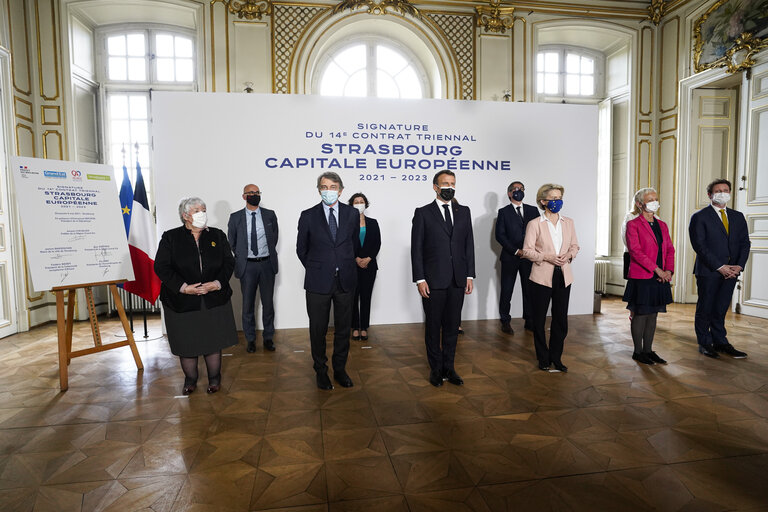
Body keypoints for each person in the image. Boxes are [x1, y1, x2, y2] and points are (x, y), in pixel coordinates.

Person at [154, 197, 238, 394]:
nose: (202, 213)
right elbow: (161, 267)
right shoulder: (170, 237)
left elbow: (229, 263)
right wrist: (183, 287)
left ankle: (214, 379)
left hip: (214, 299)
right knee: (187, 343)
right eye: (197, 210)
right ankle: (190, 380)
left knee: (213, 342)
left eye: (204, 209)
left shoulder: (217, 235)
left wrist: (216, 284)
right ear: (185, 216)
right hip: (181, 301)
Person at [411, 170, 475, 387]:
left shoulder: (464, 211)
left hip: (458, 279)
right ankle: (436, 369)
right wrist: (420, 279)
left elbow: (469, 246)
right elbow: (416, 249)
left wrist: (469, 275)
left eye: (453, 183)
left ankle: (450, 367)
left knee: (452, 326)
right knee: (433, 326)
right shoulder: (423, 213)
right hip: (433, 280)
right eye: (445, 183)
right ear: (435, 187)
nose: (450, 187)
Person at [297, 172, 358, 390]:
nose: (328, 191)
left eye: (333, 187)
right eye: (324, 187)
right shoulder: (308, 215)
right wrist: (319, 268)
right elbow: (301, 249)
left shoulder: (352, 214)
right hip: (317, 282)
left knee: (343, 329)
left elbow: (353, 245)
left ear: (341, 190)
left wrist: (341, 265)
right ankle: (321, 370)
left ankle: (340, 369)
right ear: (318, 190)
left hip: (345, 281)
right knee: (318, 329)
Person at [689, 178, 751, 359]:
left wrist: (739, 266)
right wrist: (719, 266)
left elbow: (745, 243)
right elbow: (699, 246)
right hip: (709, 271)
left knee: (721, 308)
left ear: (730, 193)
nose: (723, 193)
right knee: (705, 308)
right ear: (710, 195)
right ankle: (705, 342)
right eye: (718, 190)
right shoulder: (699, 217)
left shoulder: (738, 216)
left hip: (732, 272)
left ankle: (721, 341)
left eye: (726, 190)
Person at [521, 183, 579, 372]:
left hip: (564, 276)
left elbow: (575, 246)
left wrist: (569, 255)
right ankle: (543, 358)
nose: (557, 201)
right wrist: (547, 257)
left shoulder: (568, 222)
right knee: (538, 320)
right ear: (543, 201)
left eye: (559, 197)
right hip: (540, 277)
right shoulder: (534, 224)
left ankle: (556, 357)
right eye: (553, 198)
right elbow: (527, 251)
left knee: (561, 319)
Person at [623, 188, 674, 365]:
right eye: (650, 199)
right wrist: (657, 270)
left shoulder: (663, 225)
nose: (654, 202)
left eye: (656, 198)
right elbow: (635, 252)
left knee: (653, 314)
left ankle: (648, 350)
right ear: (639, 204)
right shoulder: (633, 224)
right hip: (643, 276)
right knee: (641, 314)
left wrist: (668, 271)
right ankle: (638, 351)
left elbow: (669, 250)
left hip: (661, 276)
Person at [227, 184, 279, 353]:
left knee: (268, 304)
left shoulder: (270, 215)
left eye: (257, 193)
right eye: (251, 193)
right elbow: (232, 242)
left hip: (266, 264)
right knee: (248, 304)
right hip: (247, 266)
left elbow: (274, 238)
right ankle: (250, 339)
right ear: (244, 196)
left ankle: (268, 338)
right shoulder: (235, 217)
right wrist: (243, 256)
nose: (254, 195)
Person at [495, 180, 540, 334]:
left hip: (529, 258)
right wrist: (516, 251)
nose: (519, 191)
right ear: (509, 193)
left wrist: (529, 251)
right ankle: (505, 321)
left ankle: (529, 320)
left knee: (529, 290)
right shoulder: (503, 212)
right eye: (515, 189)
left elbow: (540, 232)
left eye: (521, 189)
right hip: (510, 258)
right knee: (507, 291)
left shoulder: (533, 210)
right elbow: (500, 235)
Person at [349, 193, 381, 342]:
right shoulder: (347, 223)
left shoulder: (373, 222)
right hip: (352, 265)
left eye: (361, 202)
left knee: (366, 297)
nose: (359, 204)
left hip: (369, 266)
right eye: (356, 202)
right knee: (353, 298)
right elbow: (346, 244)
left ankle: (364, 327)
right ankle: (355, 327)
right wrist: (356, 258)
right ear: (351, 205)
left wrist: (368, 258)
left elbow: (377, 243)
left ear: (366, 204)